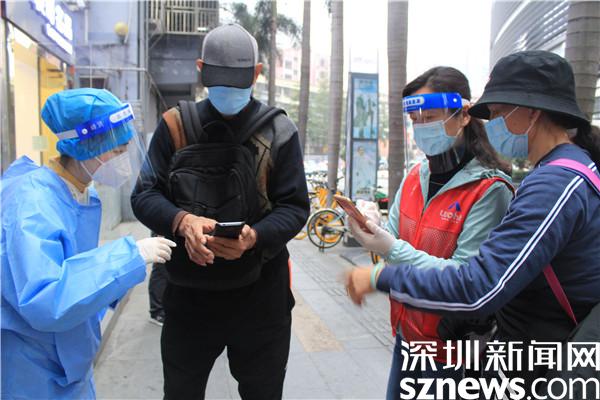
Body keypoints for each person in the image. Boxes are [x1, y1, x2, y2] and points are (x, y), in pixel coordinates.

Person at [346, 51, 600, 390]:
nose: (491, 123)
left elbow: (479, 287)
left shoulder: (554, 184)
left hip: (536, 364)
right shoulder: (567, 170)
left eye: (497, 113)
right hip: (470, 346)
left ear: (532, 111)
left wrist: (382, 276)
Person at [131, 23, 309, 399]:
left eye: (238, 81)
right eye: (220, 81)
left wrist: (254, 236)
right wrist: (183, 221)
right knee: (181, 392)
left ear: (257, 74)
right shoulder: (174, 126)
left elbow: (294, 207)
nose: (229, 90)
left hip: (262, 296)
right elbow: (144, 194)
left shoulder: (279, 131)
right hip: (189, 296)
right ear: (201, 70)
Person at [347, 67, 513, 398]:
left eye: (431, 117)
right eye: (415, 120)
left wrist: (389, 250)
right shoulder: (415, 176)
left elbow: (466, 278)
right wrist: (372, 227)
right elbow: (393, 238)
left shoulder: (489, 190)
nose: (422, 127)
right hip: (406, 334)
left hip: (453, 349)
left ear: (463, 115)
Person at [1, 88, 176, 399]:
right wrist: (126, 258)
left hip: (70, 358)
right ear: (86, 146)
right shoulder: (33, 203)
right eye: (116, 151)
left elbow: (78, 274)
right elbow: (45, 298)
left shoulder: (81, 194)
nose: (123, 162)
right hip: (33, 368)